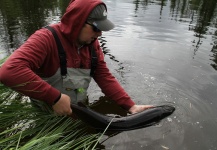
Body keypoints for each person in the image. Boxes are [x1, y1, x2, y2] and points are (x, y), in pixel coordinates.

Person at [0, 0, 153, 116]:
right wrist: (54, 98)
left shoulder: (92, 44)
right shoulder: (46, 39)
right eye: (96, 28)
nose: (100, 34)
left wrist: (130, 106)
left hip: (78, 110)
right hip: (46, 115)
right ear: (78, 22)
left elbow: (104, 76)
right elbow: (8, 71)